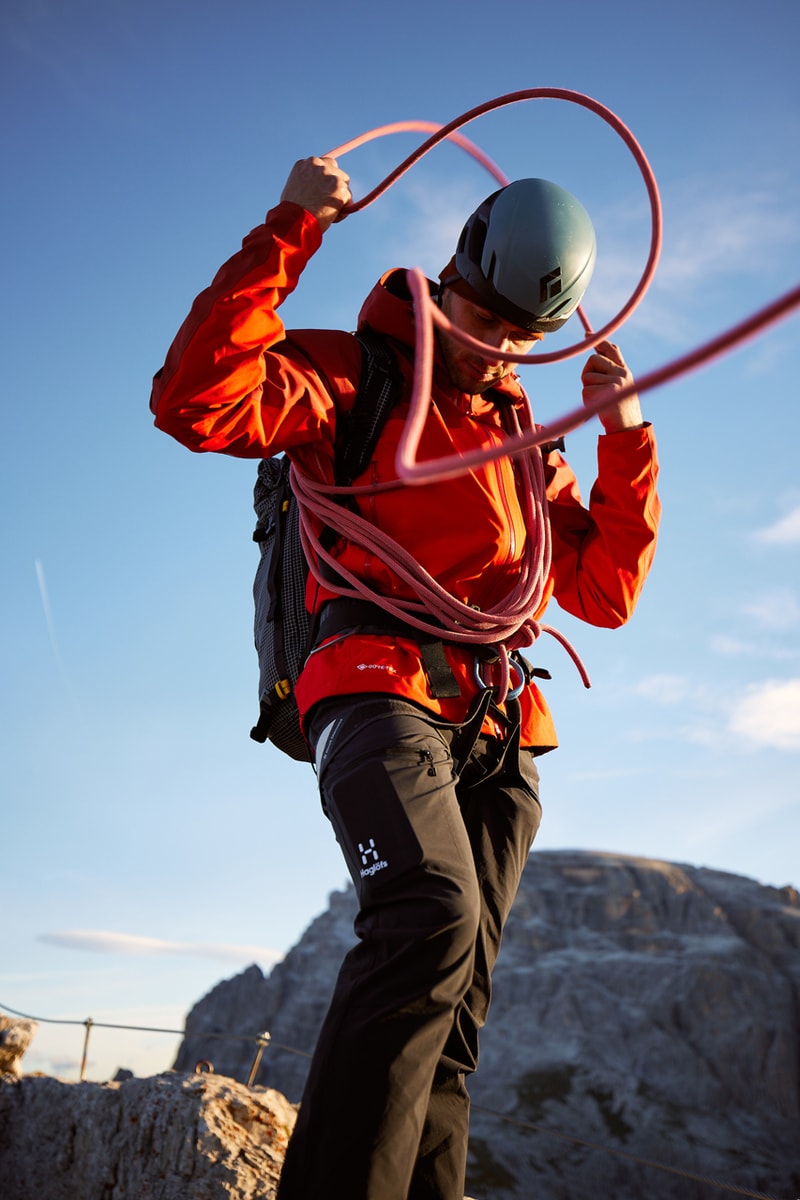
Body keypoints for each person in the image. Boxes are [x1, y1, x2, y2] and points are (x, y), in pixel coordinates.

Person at [150, 155, 660, 1200]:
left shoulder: (526, 439)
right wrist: (290, 227)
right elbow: (194, 400)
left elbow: (602, 591)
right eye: (485, 314)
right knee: (425, 915)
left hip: (499, 722)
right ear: (453, 272)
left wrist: (620, 437)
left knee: (456, 1003)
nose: (500, 344)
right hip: (373, 687)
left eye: (523, 335)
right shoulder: (350, 377)